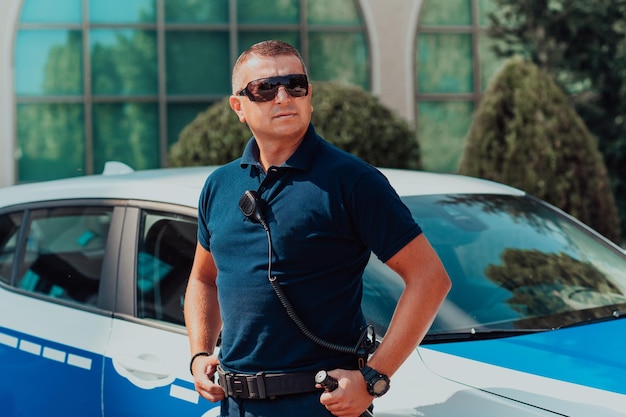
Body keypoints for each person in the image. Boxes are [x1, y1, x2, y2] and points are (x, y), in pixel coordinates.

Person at [184, 39, 451, 417]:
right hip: (235, 406)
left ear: (309, 97)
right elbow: (202, 279)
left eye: (295, 85)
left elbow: (430, 278)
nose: (283, 97)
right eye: (264, 88)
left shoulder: (353, 181)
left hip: (322, 405)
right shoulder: (219, 185)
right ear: (238, 107)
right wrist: (198, 353)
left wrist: (375, 378)